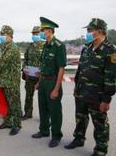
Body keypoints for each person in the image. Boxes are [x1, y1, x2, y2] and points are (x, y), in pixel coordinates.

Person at [64, 18, 116, 156]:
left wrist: (106, 99)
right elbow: (80, 69)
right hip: (82, 92)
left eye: (90, 30)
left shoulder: (110, 50)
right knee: (80, 118)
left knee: (99, 123)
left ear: (99, 32)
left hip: (97, 95)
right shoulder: (86, 48)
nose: (87, 33)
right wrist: (76, 88)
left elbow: (111, 77)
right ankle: (78, 139)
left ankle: (101, 149)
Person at [32, 17, 66, 148]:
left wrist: (56, 89)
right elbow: (44, 66)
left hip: (53, 82)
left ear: (50, 31)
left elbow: (61, 69)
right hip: (44, 82)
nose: (41, 32)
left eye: (43, 30)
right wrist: (39, 81)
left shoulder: (59, 46)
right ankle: (44, 130)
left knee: (55, 111)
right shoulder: (46, 45)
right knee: (43, 108)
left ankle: (56, 135)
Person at [22, 26, 44, 120]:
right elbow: (25, 60)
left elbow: (47, 62)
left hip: (40, 76)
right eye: (33, 34)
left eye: (37, 34)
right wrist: (23, 69)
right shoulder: (29, 47)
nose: (35, 35)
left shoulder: (44, 46)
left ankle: (44, 116)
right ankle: (28, 113)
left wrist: (42, 71)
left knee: (43, 97)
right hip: (30, 75)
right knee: (28, 95)